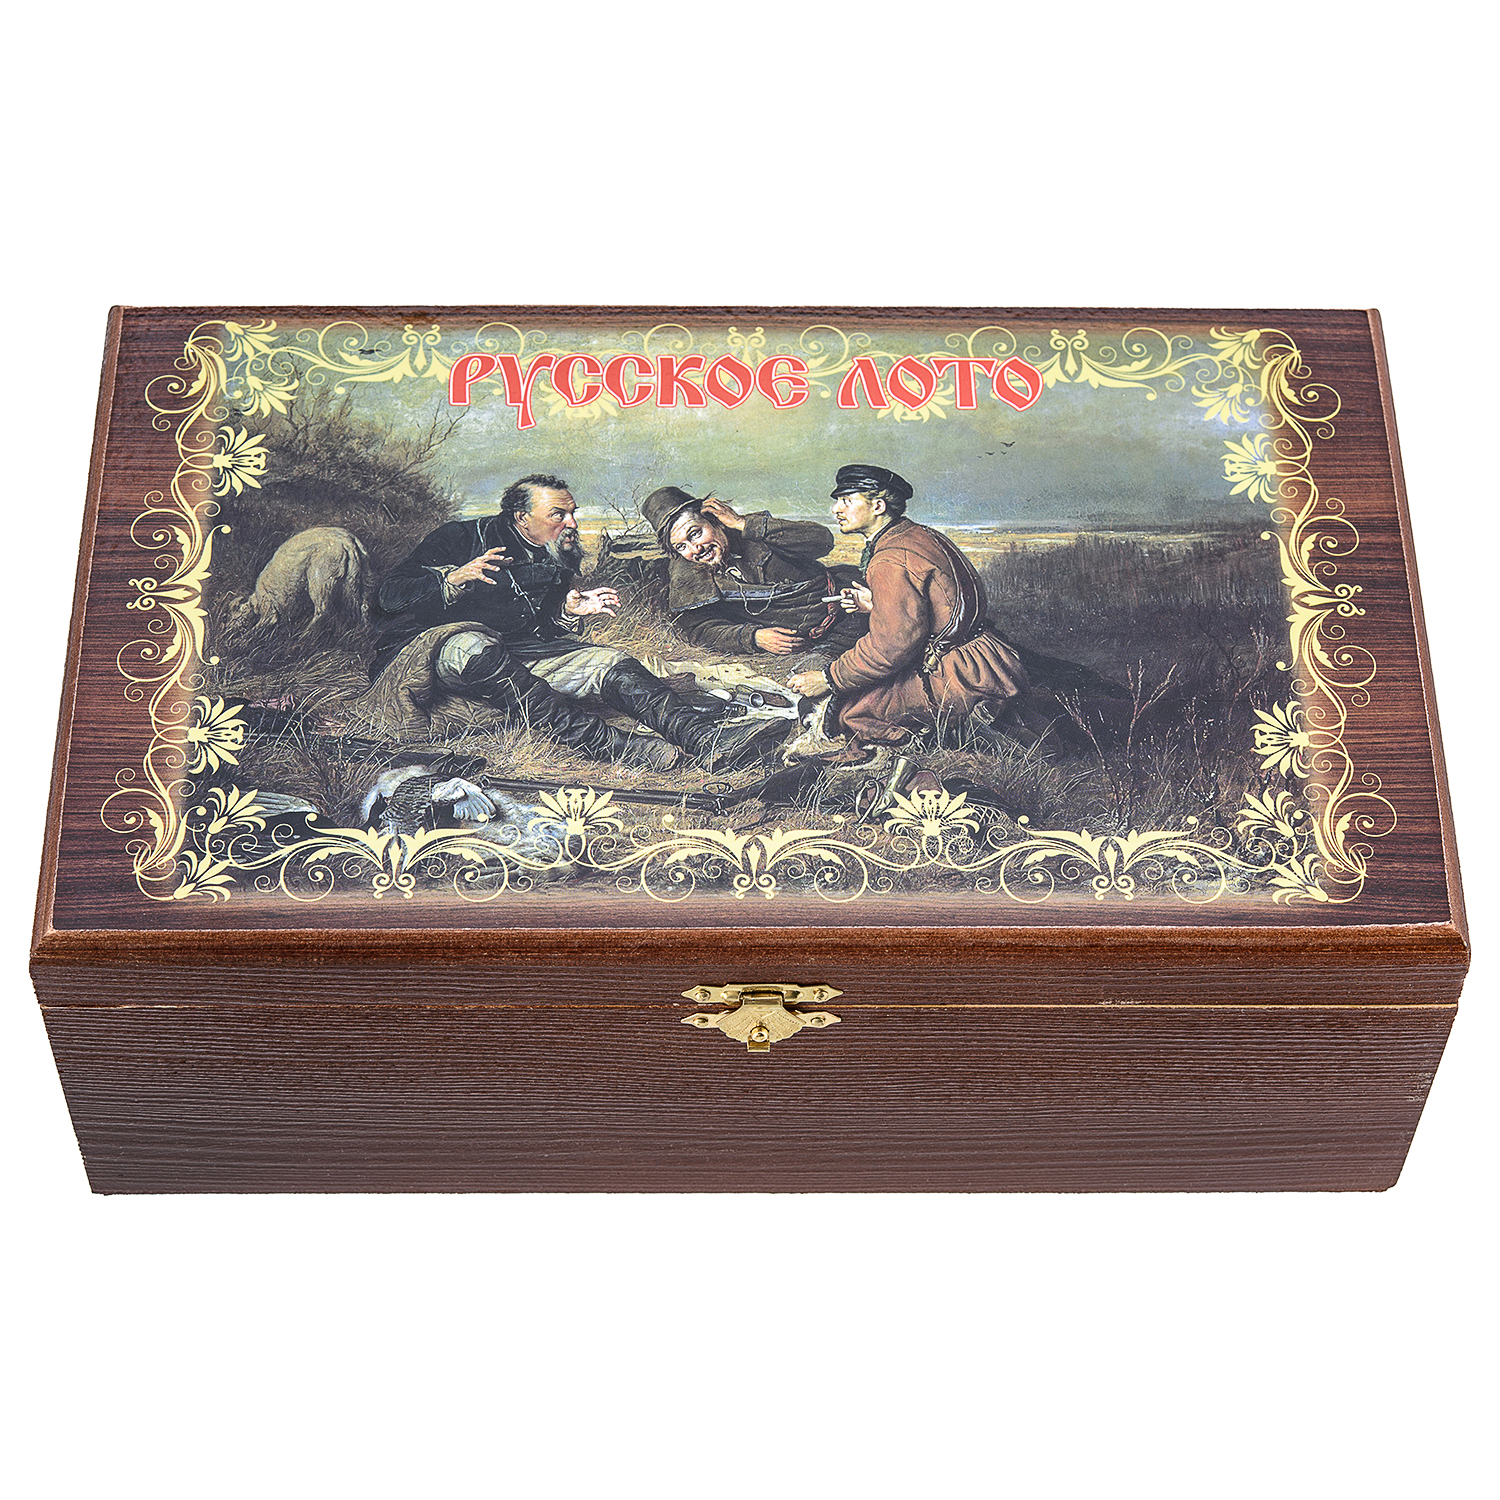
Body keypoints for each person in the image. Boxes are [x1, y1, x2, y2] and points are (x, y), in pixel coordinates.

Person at [368, 474, 787, 770]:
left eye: (572, 513)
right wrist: (451, 580)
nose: (571, 523)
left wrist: (568, 612)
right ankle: (607, 745)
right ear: (521, 518)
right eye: (558, 514)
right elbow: (387, 598)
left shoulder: (559, 553)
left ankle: (704, 739)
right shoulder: (459, 537)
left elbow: (539, 628)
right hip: (435, 653)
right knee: (474, 645)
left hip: (515, 653)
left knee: (609, 662)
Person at [786, 464, 1034, 751]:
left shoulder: (890, 558)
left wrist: (829, 678)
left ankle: (955, 736)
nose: (835, 509)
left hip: (958, 675)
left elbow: (889, 648)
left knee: (846, 714)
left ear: (878, 506)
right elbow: (937, 606)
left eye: (846, 501)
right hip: (987, 659)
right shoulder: (916, 534)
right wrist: (876, 604)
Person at [640, 486, 867, 657]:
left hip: (857, 607)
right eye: (681, 547)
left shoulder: (752, 530)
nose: (695, 549)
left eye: (695, 533)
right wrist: (754, 637)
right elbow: (698, 629)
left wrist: (743, 524)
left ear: (715, 522)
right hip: (822, 644)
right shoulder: (687, 573)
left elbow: (822, 540)